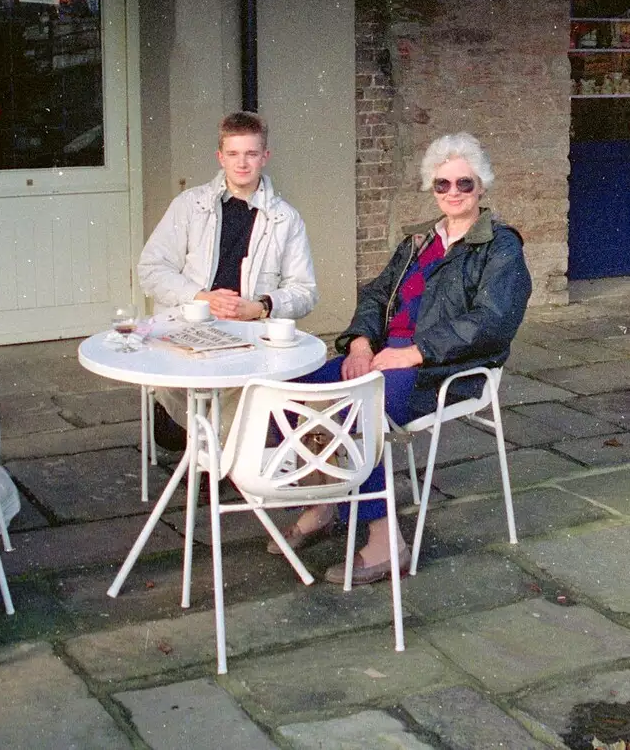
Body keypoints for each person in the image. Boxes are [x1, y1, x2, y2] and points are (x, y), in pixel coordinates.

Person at [275, 133, 531, 585]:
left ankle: (384, 540)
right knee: (294, 387)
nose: (452, 193)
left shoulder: (501, 247)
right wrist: (358, 343)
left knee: (359, 407)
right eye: (442, 185)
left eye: (463, 184)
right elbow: (375, 295)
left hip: (443, 370)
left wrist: (412, 352)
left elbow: (492, 321)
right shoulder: (417, 242)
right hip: (384, 358)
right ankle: (323, 502)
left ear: (482, 187)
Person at [137, 112, 317, 446]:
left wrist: (262, 307)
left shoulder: (285, 219)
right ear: (220, 157)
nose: (242, 163)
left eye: (251, 154)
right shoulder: (190, 206)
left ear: (265, 156)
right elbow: (151, 269)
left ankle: (213, 459)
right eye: (233, 154)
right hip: (191, 324)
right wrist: (202, 296)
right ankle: (212, 450)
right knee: (187, 380)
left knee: (246, 384)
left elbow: (305, 291)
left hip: (249, 331)